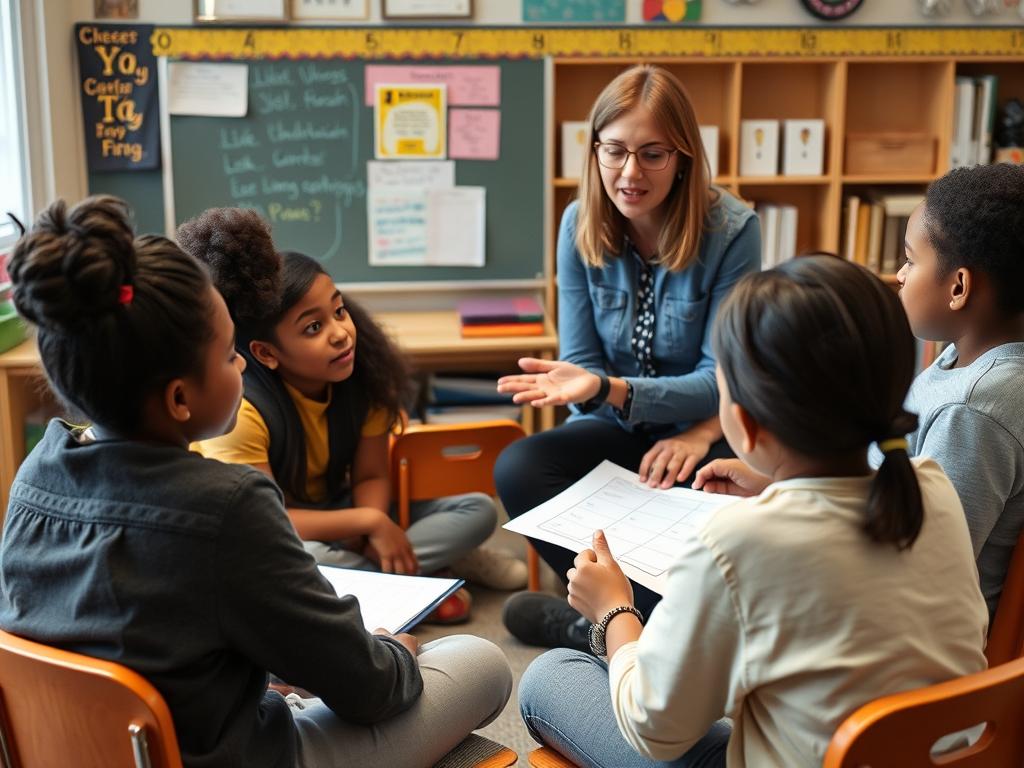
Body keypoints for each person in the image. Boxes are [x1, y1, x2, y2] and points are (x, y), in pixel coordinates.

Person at [0, 195, 512, 768]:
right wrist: (395, 651)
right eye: (228, 355)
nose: (242, 365)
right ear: (179, 398)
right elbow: (370, 691)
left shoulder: (34, 475)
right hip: (234, 756)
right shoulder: (226, 506)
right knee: (481, 663)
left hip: (77, 751)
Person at [517, 255, 988, 768]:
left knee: (549, 676)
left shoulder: (733, 545)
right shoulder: (932, 488)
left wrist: (615, 612)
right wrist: (777, 489)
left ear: (744, 423)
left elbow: (653, 730)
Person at [497, 64, 760, 648]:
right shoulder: (577, 223)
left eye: (652, 154)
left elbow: (723, 375)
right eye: (613, 151)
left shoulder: (733, 230)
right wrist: (599, 394)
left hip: (703, 429)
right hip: (614, 426)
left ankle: (600, 629)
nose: (629, 173)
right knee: (519, 466)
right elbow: (581, 364)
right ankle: (630, 625)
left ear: (684, 156)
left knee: (729, 500)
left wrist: (678, 423)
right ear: (593, 151)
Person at [178, 208, 528, 621]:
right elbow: (267, 521)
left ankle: (390, 584)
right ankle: (421, 583)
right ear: (267, 354)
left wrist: (371, 527)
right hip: (284, 530)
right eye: (313, 328)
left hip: (341, 511)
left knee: (478, 509)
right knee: (297, 559)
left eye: (339, 311)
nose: (340, 332)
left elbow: (371, 476)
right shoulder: (243, 411)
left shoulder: (364, 374)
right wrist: (370, 524)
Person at [873, 163, 1024, 620]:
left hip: (912, 641)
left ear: (958, 287)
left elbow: (923, 567)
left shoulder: (974, 409)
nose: (899, 275)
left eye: (911, 259)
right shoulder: (963, 361)